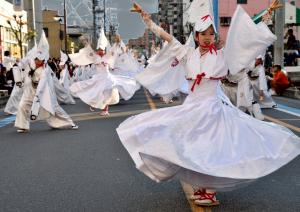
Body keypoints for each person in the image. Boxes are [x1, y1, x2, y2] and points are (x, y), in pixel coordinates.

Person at [116, 0, 300, 207]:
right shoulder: (187, 54)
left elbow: (243, 35)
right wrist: (147, 20)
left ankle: (209, 191)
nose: (207, 38)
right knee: (191, 146)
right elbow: (166, 37)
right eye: (203, 34)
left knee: (212, 149)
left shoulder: (223, 56)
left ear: (215, 37)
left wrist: (266, 13)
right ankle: (202, 187)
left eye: (211, 34)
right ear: (196, 36)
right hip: (192, 107)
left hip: (212, 108)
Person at [14, 31, 78, 133]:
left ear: (43, 60)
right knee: (22, 105)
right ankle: (23, 126)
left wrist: (37, 97)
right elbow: (23, 63)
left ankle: (70, 123)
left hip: (43, 92)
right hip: (30, 91)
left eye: (38, 60)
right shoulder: (32, 63)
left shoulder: (46, 70)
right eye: (35, 59)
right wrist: (18, 65)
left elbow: (42, 84)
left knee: (54, 109)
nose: (36, 61)